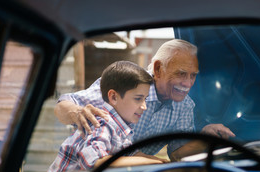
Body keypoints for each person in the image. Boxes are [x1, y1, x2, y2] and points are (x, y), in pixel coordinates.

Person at [54, 39, 235, 162]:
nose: (188, 84)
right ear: (158, 69)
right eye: (181, 74)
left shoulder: (185, 106)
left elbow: (176, 154)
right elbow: (62, 106)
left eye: (193, 76)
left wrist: (204, 138)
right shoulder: (125, 84)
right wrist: (77, 112)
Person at [47, 61, 168, 172]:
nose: (144, 107)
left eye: (145, 99)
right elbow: (95, 162)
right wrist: (152, 163)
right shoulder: (102, 123)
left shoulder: (122, 128)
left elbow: (131, 155)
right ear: (114, 97)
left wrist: (162, 162)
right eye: (138, 99)